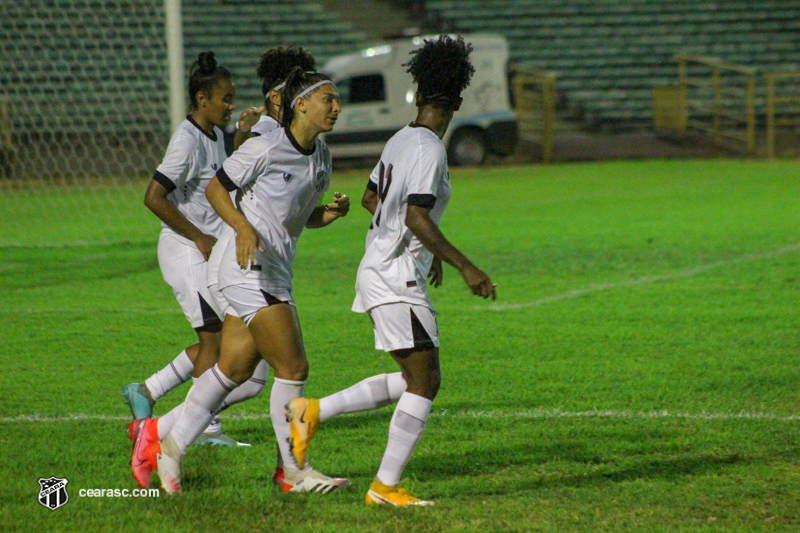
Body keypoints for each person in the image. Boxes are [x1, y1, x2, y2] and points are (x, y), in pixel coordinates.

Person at [285, 35, 496, 507]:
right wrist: (466, 265)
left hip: (382, 267)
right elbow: (417, 216)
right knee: (426, 381)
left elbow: (370, 200)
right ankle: (384, 486)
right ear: (458, 101)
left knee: (412, 376)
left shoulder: (401, 139)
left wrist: (429, 249)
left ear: (417, 95)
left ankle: (312, 410)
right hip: (396, 275)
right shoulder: (430, 150)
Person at [143, 67, 351, 495]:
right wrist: (241, 228)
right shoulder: (266, 145)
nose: (336, 107)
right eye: (328, 99)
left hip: (273, 268)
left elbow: (299, 216)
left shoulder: (323, 157)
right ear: (302, 104)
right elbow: (218, 188)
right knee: (293, 367)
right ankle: (293, 471)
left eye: (336, 100)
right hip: (246, 268)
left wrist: (329, 214)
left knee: (234, 369)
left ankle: (170, 444)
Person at [124, 51, 262, 453]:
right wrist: (199, 236)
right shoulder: (185, 140)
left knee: (224, 339)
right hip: (185, 249)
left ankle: (147, 390)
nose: (231, 103)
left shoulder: (216, 134)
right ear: (202, 99)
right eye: (226, 98)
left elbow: (225, 174)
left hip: (207, 250)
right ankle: (205, 427)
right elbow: (154, 197)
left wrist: (240, 132)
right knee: (217, 339)